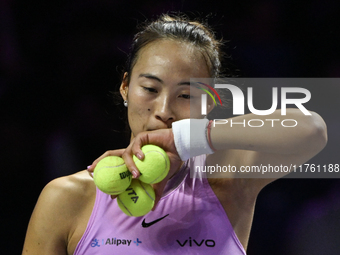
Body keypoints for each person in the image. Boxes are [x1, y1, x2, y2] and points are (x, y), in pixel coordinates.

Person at [22, 14, 327, 255]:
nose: (164, 110)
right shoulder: (66, 198)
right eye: (150, 89)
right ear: (126, 86)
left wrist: (187, 139)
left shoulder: (230, 180)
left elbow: (313, 129)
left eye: (186, 95)